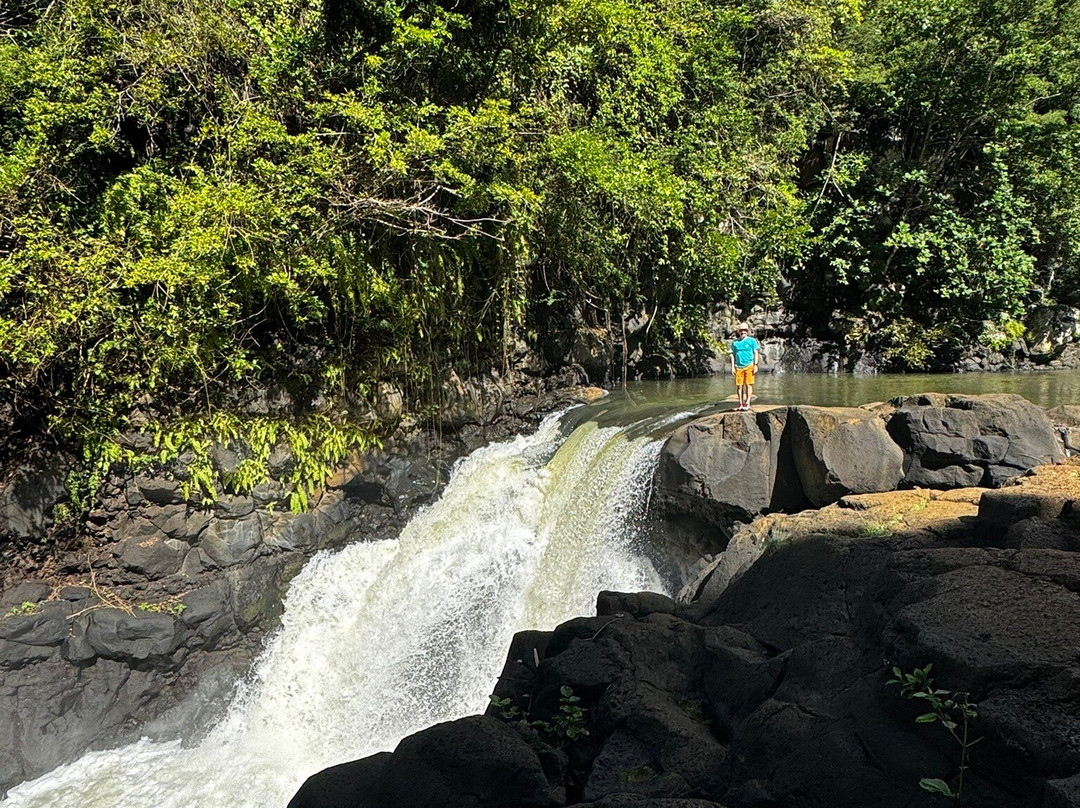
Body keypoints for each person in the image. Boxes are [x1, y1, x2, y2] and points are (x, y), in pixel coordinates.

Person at [730, 323, 760, 412]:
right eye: (741, 330)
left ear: (747, 331)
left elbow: (756, 353)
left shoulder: (752, 341)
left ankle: (747, 403)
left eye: (745, 330)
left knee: (748, 384)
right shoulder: (735, 342)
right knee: (739, 386)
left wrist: (756, 365)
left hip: (749, 365)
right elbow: (732, 355)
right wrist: (732, 367)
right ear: (739, 332)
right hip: (738, 367)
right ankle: (740, 403)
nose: (743, 332)